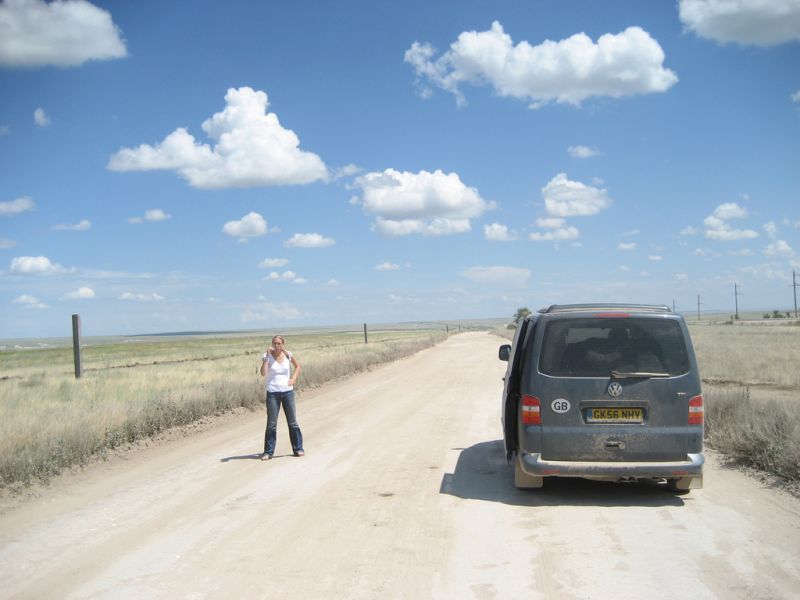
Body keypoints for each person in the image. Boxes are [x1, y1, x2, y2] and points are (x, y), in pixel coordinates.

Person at [259, 335, 304, 460]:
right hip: (273, 393)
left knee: (292, 422)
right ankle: (268, 452)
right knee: (271, 424)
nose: (276, 346)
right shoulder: (266, 356)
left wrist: (293, 379)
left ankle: (298, 448)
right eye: (274, 343)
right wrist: (266, 358)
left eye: (279, 343)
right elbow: (263, 373)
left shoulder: (288, 354)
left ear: (283, 344)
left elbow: (298, 366)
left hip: (287, 392)